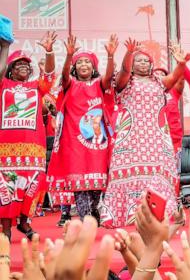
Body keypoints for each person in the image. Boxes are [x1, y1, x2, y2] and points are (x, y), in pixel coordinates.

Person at [99, 38, 190, 228]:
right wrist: (129, 53)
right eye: (138, 61)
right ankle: (126, 214)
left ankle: (162, 212)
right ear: (133, 66)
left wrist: (181, 63)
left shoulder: (159, 82)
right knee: (129, 173)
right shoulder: (125, 81)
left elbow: (175, 77)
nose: (143, 64)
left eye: (146, 61)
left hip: (156, 137)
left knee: (158, 175)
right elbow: (124, 71)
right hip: (131, 137)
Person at [47, 34, 118, 224]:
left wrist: (111, 56)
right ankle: (86, 218)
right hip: (73, 142)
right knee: (79, 182)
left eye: (88, 62)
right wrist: (69, 56)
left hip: (97, 142)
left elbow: (109, 76)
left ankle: (93, 211)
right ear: (74, 67)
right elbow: (63, 77)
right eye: (80, 62)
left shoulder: (99, 84)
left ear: (94, 66)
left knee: (96, 184)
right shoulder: (70, 84)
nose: (84, 65)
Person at [0, 31, 57, 240]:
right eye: (17, 65)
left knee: (32, 187)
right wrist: (5, 47)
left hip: (33, 148)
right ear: (10, 70)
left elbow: (50, 75)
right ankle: (5, 229)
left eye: (26, 65)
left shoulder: (36, 87)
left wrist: (49, 51)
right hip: (6, 149)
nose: (22, 67)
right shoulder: (3, 85)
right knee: (6, 189)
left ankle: (24, 223)